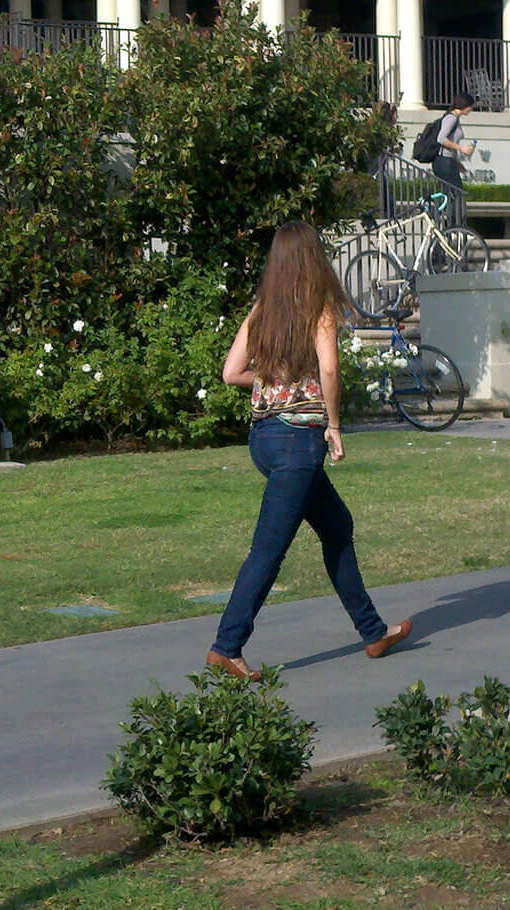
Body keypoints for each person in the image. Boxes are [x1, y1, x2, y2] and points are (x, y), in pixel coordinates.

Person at [207, 222, 412, 680]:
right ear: (311, 259)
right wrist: (334, 424)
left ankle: (373, 631)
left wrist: (272, 381)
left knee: (337, 526)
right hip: (298, 443)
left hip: (264, 440)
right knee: (269, 549)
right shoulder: (318, 307)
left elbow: (231, 372)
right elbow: (331, 369)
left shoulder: (264, 308)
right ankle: (226, 646)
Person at [430, 94, 476, 226]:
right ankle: (455, 226)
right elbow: (441, 139)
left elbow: (448, 146)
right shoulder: (451, 118)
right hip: (443, 162)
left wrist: (457, 163)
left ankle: (452, 224)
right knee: (457, 194)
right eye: (470, 106)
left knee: (452, 194)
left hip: (448, 161)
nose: (471, 109)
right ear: (464, 106)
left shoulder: (454, 118)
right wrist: (461, 149)